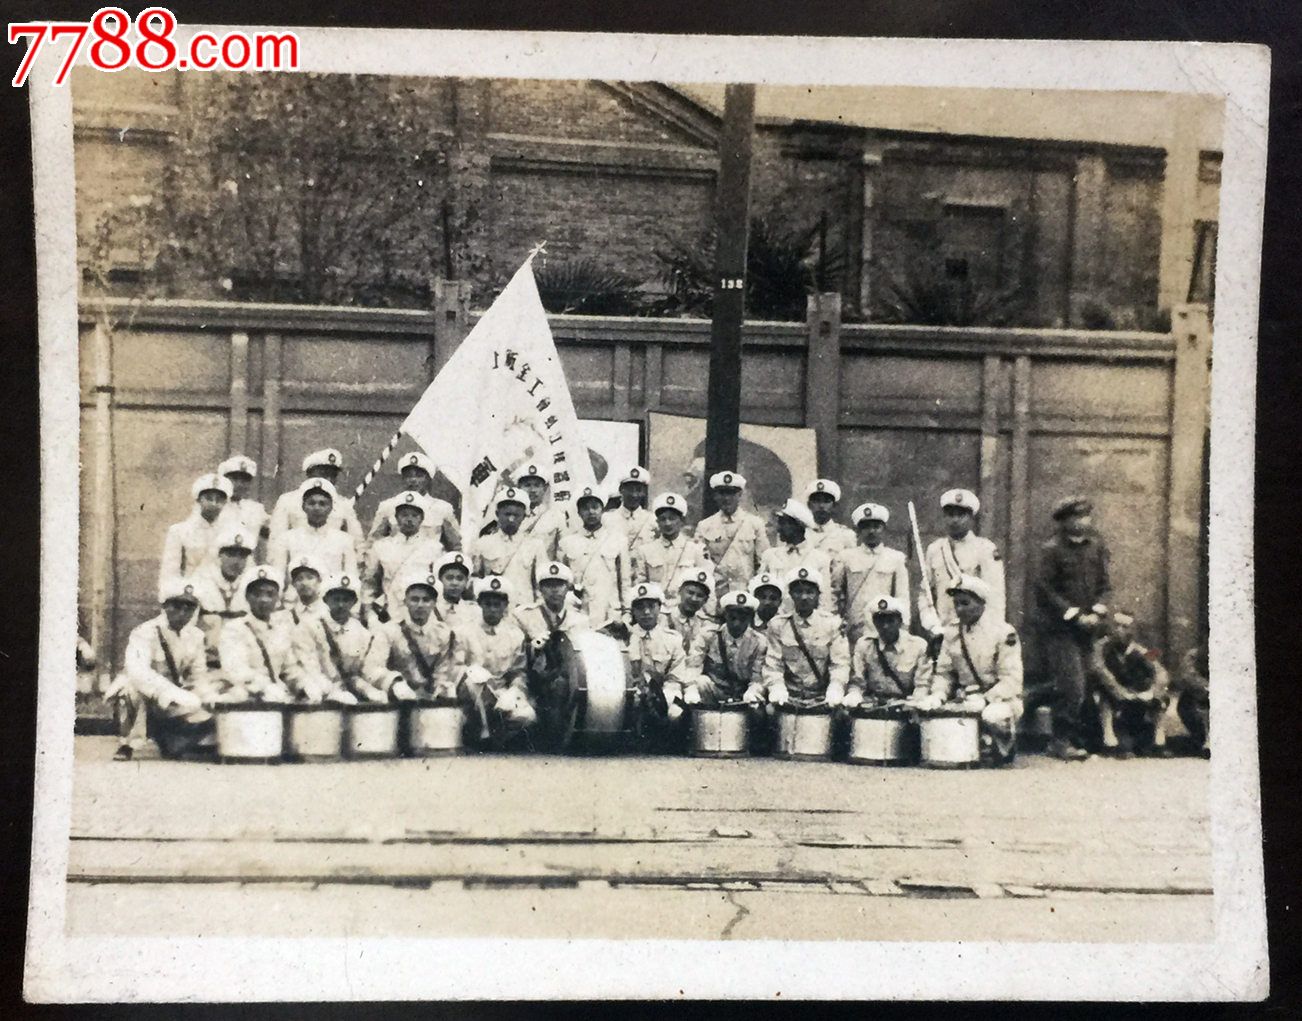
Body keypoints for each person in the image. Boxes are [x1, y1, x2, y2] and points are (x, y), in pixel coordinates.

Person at [916, 575, 1023, 766]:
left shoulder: (1003, 632)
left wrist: (986, 699)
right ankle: (976, 747)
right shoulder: (952, 633)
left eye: (965, 603)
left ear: (981, 603)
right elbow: (944, 672)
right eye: (956, 604)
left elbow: (1012, 680)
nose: (959, 609)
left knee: (992, 715)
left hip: (1000, 699)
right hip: (966, 697)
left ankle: (1004, 745)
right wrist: (938, 695)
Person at [1035, 496, 1111, 761]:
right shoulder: (1052, 550)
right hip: (1060, 630)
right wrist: (1075, 615)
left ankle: (1082, 739)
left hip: (1089, 628)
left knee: (1089, 682)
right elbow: (1045, 590)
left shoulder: (1096, 547)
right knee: (1072, 686)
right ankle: (1059, 740)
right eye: (1075, 517)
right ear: (1064, 521)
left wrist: (1098, 611)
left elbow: (1105, 585)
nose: (1081, 522)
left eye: (1085, 517)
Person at [108, 578, 217, 761]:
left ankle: (169, 737)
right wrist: (167, 692)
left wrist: (205, 696)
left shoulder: (196, 636)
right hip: (147, 692)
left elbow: (198, 675)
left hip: (173, 696)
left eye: (189, 607)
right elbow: (138, 672)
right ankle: (127, 744)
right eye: (176, 606)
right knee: (131, 691)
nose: (183, 612)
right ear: (165, 606)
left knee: (208, 706)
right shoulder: (144, 632)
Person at [917, 489, 1006, 637]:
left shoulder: (985, 548)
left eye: (961, 515)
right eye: (950, 515)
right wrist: (932, 625)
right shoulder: (935, 549)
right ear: (944, 517)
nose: (955, 520)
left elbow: (995, 596)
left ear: (971, 517)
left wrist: (991, 633)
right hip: (944, 632)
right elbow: (925, 593)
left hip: (977, 633)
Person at [759, 566, 850, 708]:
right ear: (791, 594)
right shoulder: (778, 625)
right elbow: (773, 665)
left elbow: (840, 664)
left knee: (843, 717)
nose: (804, 597)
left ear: (818, 595)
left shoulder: (831, 624)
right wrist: (777, 689)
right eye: (798, 592)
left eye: (809, 592)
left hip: (821, 698)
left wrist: (835, 689)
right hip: (789, 697)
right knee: (768, 714)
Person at [1088, 610, 1171, 758]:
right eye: (1117, 626)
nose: (1120, 630)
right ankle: (1109, 739)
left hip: (1133, 699)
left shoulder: (1141, 650)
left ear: (1133, 631)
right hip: (1113, 700)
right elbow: (1099, 670)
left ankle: (1159, 742)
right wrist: (1121, 692)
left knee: (1162, 697)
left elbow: (1161, 672)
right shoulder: (1100, 647)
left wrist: (1152, 692)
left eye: (1125, 627)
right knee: (1102, 692)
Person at [830, 502, 911, 650]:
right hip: (855, 629)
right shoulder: (846, 557)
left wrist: (903, 630)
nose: (871, 531)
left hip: (885, 630)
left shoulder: (895, 558)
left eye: (876, 526)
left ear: (884, 529)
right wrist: (835, 623)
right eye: (866, 527)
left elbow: (902, 598)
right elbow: (834, 593)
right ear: (858, 530)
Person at [469, 575, 537, 740]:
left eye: (497, 605)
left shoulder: (515, 635)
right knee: (473, 677)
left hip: (501, 694)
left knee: (527, 715)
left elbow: (518, 671)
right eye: (488, 604)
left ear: (505, 606)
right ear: (479, 604)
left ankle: (500, 736)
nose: (492, 609)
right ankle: (481, 731)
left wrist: (514, 690)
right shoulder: (465, 631)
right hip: (472, 695)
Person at [290, 573, 376, 704]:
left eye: (346, 600)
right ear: (326, 600)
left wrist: (367, 689)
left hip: (352, 696)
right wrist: (332, 692)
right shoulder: (309, 627)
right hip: (318, 694)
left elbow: (363, 670)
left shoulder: (362, 633)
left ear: (354, 602)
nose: (341, 605)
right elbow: (310, 668)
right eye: (336, 599)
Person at [267, 478, 360, 598]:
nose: (316, 508)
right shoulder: (287, 538)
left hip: (329, 604)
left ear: (331, 507)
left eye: (322, 504)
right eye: (311, 503)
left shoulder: (344, 540)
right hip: (294, 603)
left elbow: (352, 578)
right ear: (303, 506)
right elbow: (278, 576)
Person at [216, 567, 297, 703]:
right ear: (247, 597)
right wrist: (265, 687)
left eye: (270, 594)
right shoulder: (234, 628)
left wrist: (302, 683)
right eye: (257, 594)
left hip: (278, 695)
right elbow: (236, 669)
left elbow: (289, 667)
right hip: (247, 696)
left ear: (277, 598)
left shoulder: (281, 629)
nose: (264, 600)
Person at [557, 485, 632, 630]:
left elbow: (625, 581)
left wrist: (626, 613)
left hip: (609, 613)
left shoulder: (617, 540)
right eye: (585, 508)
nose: (591, 512)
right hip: (577, 612)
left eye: (595, 507)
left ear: (602, 509)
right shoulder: (567, 543)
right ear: (579, 512)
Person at [362, 491, 442, 622]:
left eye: (414, 515)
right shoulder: (381, 546)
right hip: (388, 614)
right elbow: (369, 584)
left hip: (421, 614)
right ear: (396, 518)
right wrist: (370, 615)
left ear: (421, 519)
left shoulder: (434, 548)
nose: (409, 519)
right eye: (404, 515)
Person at [267, 448, 365, 551]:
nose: (328, 479)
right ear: (309, 474)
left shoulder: (344, 505)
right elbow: (276, 541)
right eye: (323, 473)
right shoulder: (287, 501)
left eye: (333, 475)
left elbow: (357, 544)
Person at [625, 582, 690, 738]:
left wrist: (661, 697)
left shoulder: (672, 640)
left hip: (662, 693)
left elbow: (675, 677)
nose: (646, 612)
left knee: (675, 712)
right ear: (633, 611)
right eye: (640, 607)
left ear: (659, 608)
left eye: (651, 606)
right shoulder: (624, 638)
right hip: (629, 693)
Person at [188, 527, 257, 674]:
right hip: (208, 662)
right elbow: (189, 629)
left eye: (242, 556)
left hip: (243, 662)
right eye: (230, 555)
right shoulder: (200, 581)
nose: (236, 561)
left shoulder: (252, 584)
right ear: (219, 555)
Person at [844, 596, 933, 708]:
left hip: (905, 707)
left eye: (891, 621)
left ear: (900, 621)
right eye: (880, 621)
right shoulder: (865, 645)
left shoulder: (917, 646)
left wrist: (915, 702)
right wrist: (854, 695)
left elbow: (923, 685)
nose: (885, 626)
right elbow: (857, 682)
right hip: (874, 707)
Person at [695, 471, 770, 600]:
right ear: (715, 496)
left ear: (739, 494)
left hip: (746, 593)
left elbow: (764, 562)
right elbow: (699, 563)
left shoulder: (754, 524)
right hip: (715, 594)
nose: (726, 498)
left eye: (731, 493)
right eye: (722, 493)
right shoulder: (704, 526)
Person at [684, 590, 766, 706]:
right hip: (715, 693)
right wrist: (691, 689)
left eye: (742, 619)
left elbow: (758, 677)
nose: (736, 624)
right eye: (732, 618)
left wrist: (753, 691)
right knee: (701, 682)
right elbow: (693, 666)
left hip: (743, 696)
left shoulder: (758, 642)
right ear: (725, 615)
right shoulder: (709, 635)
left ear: (750, 619)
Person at [366, 451, 461, 551]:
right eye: (408, 476)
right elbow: (372, 543)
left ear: (428, 479)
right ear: (402, 478)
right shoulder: (388, 506)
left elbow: (456, 546)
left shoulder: (442, 508)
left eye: (419, 476)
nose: (413, 480)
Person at [472, 487, 545, 602]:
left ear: (524, 516)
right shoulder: (482, 544)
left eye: (516, 515)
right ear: (497, 514)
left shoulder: (535, 545)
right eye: (507, 514)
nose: (511, 519)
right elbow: (474, 577)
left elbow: (541, 584)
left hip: (523, 607)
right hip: (493, 607)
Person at [758, 500, 832, 613]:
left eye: (783, 523)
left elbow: (824, 601)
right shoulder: (770, 556)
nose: (778, 529)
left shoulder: (820, 559)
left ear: (798, 526)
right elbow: (760, 592)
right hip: (774, 622)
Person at [159, 473, 232, 587]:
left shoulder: (230, 533)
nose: (214, 504)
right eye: (208, 498)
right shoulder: (179, 531)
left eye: (219, 500)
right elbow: (169, 573)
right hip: (191, 594)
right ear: (199, 500)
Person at [631, 492, 711, 594]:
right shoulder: (645, 551)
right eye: (663, 519)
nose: (667, 523)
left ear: (682, 521)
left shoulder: (696, 550)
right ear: (657, 522)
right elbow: (639, 585)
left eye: (672, 518)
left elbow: (707, 585)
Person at [514, 463, 571, 561]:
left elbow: (562, 554)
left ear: (544, 488)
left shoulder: (556, 516)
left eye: (537, 485)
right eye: (527, 485)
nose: (532, 490)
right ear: (519, 488)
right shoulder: (510, 516)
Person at [663, 566, 720, 655]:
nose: (694, 599)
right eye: (690, 592)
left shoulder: (706, 625)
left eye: (700, 595)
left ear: (705, 600)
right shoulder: (663, 619)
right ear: (680, 591)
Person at [216, 455, 269, 549]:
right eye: (234, 479)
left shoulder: (256, 509)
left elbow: (274, 534)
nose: (239, 484)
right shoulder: (215, 506)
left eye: (245, 480)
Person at [1174, 645, 1210, 756]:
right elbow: (1188, 676)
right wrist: (1208, 687)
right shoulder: (1194, 655)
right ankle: (1204, 741)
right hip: (1199, 698)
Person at [805, 479, 856, 556]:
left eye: (826, 501)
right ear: (809, 505)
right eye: (816, 501)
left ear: (834, 506)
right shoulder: (802, 533)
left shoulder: (846, 535)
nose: (821, 506)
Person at [610, 466, 655, 552]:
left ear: (644, 493)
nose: (634, 495)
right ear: (621, 490)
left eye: (638, 490)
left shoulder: (651, 520)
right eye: (630, 489)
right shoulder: (608, 519)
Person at [281, 558, 326, 625]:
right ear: (293, 583)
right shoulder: (288, 615)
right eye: (299, 579)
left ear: (319, 580)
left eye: (310, 578)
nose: (304, 583)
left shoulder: (327, 611)